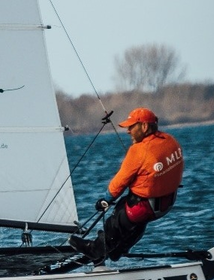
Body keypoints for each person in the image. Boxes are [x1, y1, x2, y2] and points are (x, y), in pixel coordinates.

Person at [69, 107, 184, 265]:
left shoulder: (139, 150)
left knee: (117, 218)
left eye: (131, 127)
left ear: (144, 127)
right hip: (166, 204)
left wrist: (106, 199)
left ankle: (95, 250)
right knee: (135, 222)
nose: (128, 131)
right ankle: (118, 250)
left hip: (144, 207)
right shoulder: (170, 141)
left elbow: (120, 181)